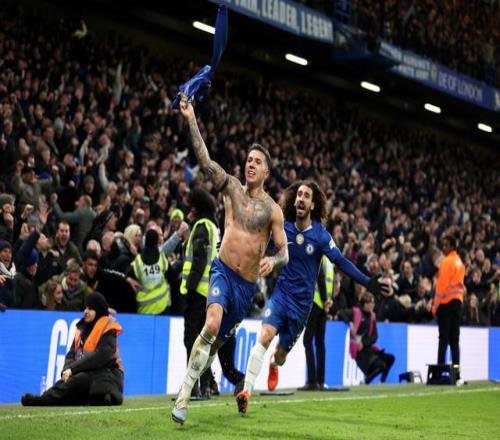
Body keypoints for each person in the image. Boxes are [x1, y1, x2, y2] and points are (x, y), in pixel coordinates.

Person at [172, 96, 288, 424]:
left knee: (215, 346)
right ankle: (184, 395)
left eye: (257, 162)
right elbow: (205, 160)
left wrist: (273, 262)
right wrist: (191, 119)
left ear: (266, 171)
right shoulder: (232, 188)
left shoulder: (273, 211)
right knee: (210, 325)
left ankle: (204, 384)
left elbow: (284, 251)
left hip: (245, 288)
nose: (250, 164)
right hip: (222, 271)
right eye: (248, 159)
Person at [236, 181, 389, 413]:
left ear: (313, 205)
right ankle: (246, 391)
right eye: (299, 194)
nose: (301, 198)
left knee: (281, 355)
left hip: (302, 306)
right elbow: (258, 242)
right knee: (264, 337)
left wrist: (367, 281)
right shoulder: (283, 227)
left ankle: (274, 364)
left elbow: (341, 261)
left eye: (306, 196)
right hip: (281, 295)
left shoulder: (320, 236)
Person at [180, 187, 244, 398]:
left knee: (192, 341)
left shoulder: (201, 227)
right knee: (204, 341)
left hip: (198, 293)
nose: (189, 211)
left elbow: (198, 262)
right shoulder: (213, 227)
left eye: (191, 207)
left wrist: (189, 288)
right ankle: (205, 386)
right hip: (211, 292)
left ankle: (194, 387)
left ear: (197, 207)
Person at [21, 292, 124, 406]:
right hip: (89, 373)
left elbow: (101, 355)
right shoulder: (82, 329)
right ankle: (95, 398)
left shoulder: (108, 326)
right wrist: (66, 370)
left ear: (98, 310)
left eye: (90, 309)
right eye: (85, 308)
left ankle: (41, 400)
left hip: (108, 373)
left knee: (77, 380)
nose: (85, 311)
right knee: (71, 383)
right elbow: (71, 354)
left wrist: (73, 369)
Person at [339, 292, 395, 384]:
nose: (373, 305)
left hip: (367, 348)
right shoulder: (356, 312)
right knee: (381, 365)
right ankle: (366, 381)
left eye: (373, 303)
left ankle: (382, 381)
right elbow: (341, 313)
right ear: (365, 304)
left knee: (391, 358)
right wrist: (350, 323)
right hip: (359, 352)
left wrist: (364, 343)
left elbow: (375, 336)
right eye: (371, 303)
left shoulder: (372, 317)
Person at [432, 235, 465, 383]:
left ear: (451, 246)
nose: (443, 248)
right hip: (457, 303)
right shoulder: (459, 262)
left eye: (446, 245)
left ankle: (439, 373)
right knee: (454, 341)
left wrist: (435, 306)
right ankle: (456, 374)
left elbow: (441, 286)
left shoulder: (447, 262)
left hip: (446, 304)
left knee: (443, 340)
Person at [299, 256, 334, 391]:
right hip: (324, 306)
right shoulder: (330, 260)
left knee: (307, 341)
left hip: (315, 303)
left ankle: (312, 381)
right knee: (320, 342)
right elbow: (331, 282)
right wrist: (328, 301)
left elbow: (320, 277)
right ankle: (321, 381)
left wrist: (324, 299)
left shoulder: (319, 255)